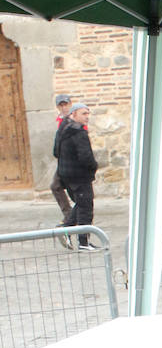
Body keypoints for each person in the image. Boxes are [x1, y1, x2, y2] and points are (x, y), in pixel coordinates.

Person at [57, 102, 98, 251]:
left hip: (68, 174)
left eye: (88, 113)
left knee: (81, 203)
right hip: (79, 176)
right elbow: (86, 157)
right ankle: (83, 242)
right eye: (83, 113)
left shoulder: (63, 128)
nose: (87, 117)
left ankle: (65, 229)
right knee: (86, 207)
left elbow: (56, 151)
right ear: (73, 114)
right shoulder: (79, 132)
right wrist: (94, 167)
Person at [49, 94, 73, 221]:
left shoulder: (74, 120)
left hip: (72, 161)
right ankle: (69, 214)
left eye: (66, 104)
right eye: (61, 105)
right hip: (63, 161)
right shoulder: (59, 121)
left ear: (70, 104)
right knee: (55, 186)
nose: (64, 108)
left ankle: (75, 216)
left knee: (75, 191)